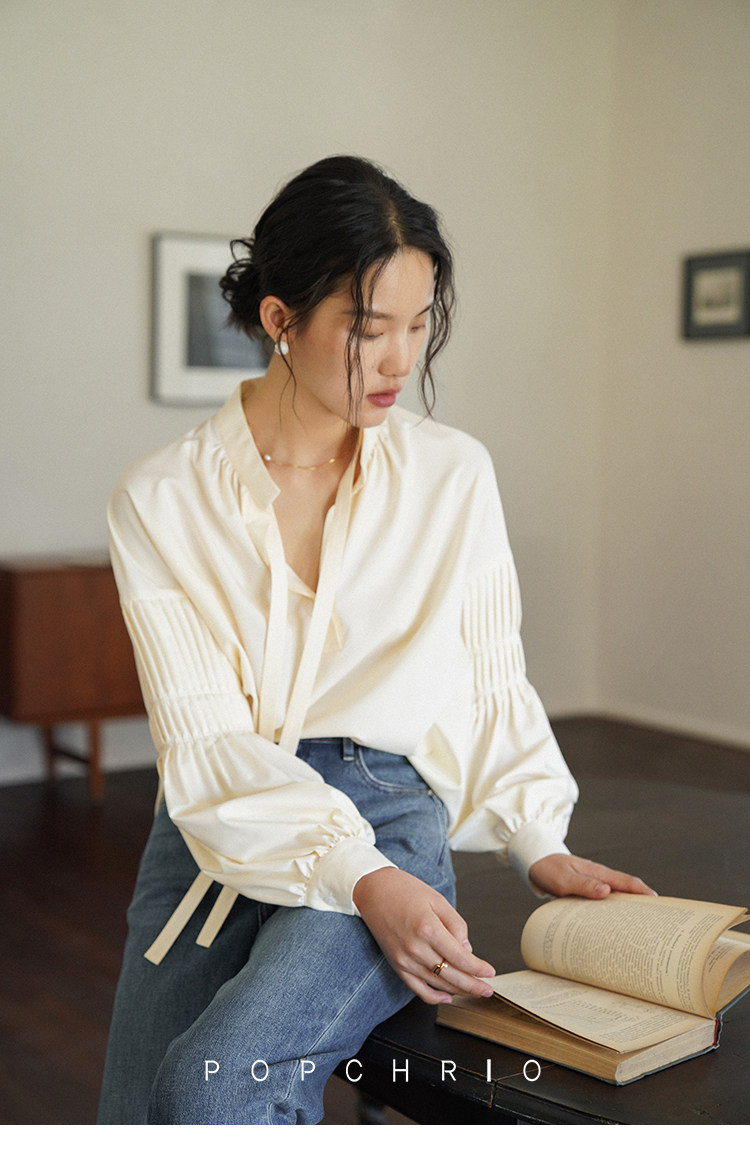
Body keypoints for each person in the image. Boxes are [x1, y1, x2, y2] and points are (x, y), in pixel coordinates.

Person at [98, 155, 654, 1125]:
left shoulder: (452, 475)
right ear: (280, 318)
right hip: (217, 824)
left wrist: (534, 836)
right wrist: (352, 874)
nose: (401, 360)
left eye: (419, 324)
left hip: (388, 810)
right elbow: (206, 739)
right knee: (137, 1121)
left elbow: (489, 677)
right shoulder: (161, 497)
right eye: (367, 329)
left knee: (211, 1088)